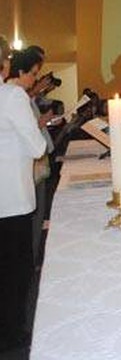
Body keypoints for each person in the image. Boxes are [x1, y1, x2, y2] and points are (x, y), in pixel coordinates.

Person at [0, 49, 47, 351]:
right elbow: (37, 146)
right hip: (11, 199)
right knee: (15, 273)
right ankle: (12, 334)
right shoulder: (12, 97)